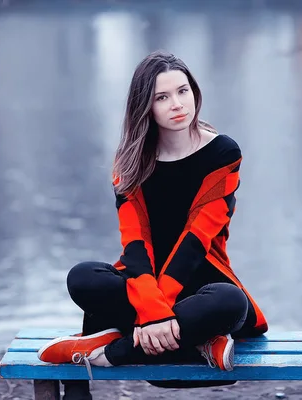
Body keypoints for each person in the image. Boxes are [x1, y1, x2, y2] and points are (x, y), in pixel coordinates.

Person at [36, 50, 268, 400]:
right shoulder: (130, 161)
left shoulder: (222, 153)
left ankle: (112, 351)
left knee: (229, 301)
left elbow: (196, 240)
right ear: (145, 106)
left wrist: (154, 317)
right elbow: (135, 244)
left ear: (194, 92)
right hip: (144, 285)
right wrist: (152, 310)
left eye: (183, 91)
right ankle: (200, 343)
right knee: (82, 277)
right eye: (162, 97)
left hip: (204, 285)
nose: (177, 104)